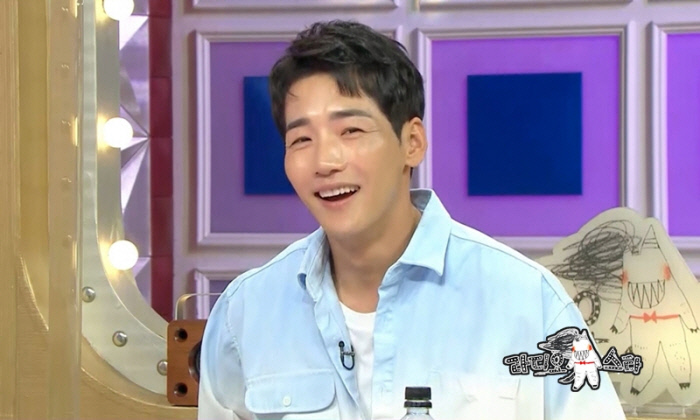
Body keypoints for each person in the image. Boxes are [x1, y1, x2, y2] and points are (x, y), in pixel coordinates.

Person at [198, 20, 626, 420]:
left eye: (351, 131)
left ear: (413, 142)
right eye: (301, 139)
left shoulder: (527, 302)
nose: (325, 161)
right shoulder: (245, 313)